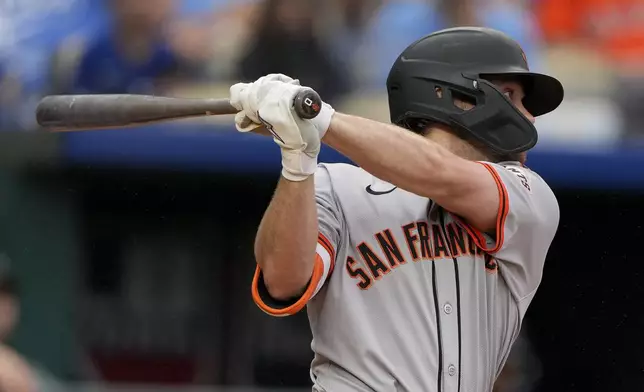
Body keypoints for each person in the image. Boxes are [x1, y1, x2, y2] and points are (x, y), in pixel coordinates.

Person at [229, 27, 564, 391]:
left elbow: (440, 173)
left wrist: (317, 116)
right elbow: (282, 280)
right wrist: (297, 161)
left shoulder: (529, 194)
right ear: (453, 94)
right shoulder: (335, 185)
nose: (528, 118)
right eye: (512, 96)